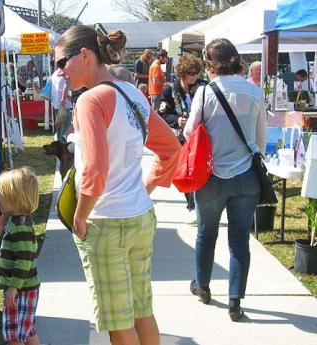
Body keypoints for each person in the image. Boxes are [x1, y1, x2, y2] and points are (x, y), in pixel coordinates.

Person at [54, 25, 180, 345]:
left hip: (106, 222)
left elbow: (94, 170)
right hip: (139, 216)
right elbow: (172, 149)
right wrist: (147, 187)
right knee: (141, 311)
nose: (59, 71)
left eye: (61, 62)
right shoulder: (132, 92)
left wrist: (80, 217)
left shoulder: (90, 100)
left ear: (84, 55)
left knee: (117, 322)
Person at [183, 38, 267, 322]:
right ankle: (235, 300)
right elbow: (261, 140)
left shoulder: (206, 93)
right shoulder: (254, 92)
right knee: (240, 239)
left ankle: (202, 285)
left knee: (206, 234)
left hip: (211, 175)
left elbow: (189, 132)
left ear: (209, 64)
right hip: (246, 176)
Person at [0, 167, 41, 345]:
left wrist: (13, 288)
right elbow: (5, 249)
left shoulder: (21, 228)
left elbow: (24, 262)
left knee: (14, 333)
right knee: (27, 329)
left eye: (1, 195)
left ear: (15, 198)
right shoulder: (13, 221)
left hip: (21, 289)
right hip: (22, 288)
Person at [158, 54, 207, 224]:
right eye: (191, 73)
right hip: (180, 138)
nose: (195, 76)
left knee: (198, 171)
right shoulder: (169, 89)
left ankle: (196, 207)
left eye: (196, 73)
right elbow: (162, 114)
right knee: (187, 172)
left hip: (200, 137)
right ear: (182, 73)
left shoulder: (203, 87)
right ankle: (192, 206)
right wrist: (177, 119)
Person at [50, 67, 73, 140]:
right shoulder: (61, 77)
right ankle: (62, 141)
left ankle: (59, 140)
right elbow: (60, 90)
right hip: (64, 104)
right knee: (66, 124)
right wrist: (71, 98)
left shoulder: (54, 74)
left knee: (59, 124)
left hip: (57, 103)